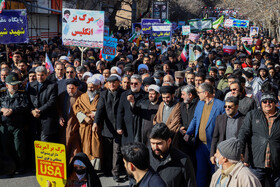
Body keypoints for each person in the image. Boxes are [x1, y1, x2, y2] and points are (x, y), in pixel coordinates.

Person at [185, 82, 225, 187]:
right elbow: (195, 119)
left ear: (206, 93)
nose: (197, 94)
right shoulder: (200, 103)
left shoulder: (220, 105)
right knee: (201, 173)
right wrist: (188, 132)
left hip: (214, 146)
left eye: (199, 92)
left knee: (215, 173)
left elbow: (223, 126)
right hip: (200, 146)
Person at [238, 92, 280, 186]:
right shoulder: (252, 115)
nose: (267, 104)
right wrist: (240, 151)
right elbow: (243, 134)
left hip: (276, 164)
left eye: (271, 101)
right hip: (257, 163)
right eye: (264, 101)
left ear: (275, 103)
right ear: (261, 103)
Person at [94, 74, 124, 181]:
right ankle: (107, 169)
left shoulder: (123, 94)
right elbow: (100, 110)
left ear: (118, 83)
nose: (112, 84)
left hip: (119, 127)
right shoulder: (103, 94)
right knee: (107, 151)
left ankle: (115, 172)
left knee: (116, 151)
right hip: (107, 127)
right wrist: (96, 122)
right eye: (110, 82)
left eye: (114, 82)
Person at [0, 73, 29, 173]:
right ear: (7, 85)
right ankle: (9, 168)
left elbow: (25, 106)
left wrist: (12, 110)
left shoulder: (22, 94)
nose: (15, 86)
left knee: (19, 147)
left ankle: (21, 167)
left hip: (17, 125)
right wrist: (2, 109)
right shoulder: (2, 94)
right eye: (13, 84)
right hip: (5, 126)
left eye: (16, 84)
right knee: (6, 148)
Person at [73, 76, 103, 170]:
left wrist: (96, 114)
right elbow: (76, 109)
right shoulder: (82, 97)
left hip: (96, 126)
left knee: (96, 147)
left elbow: (104, 109)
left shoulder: (101, 96)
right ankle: (86, 165)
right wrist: (84, 117)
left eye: (92, 87)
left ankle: (95, 168)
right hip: (84, 126)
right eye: (89, 87)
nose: (90, 89)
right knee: (85, 146)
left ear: (98, 86)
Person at [27, 66, 59, 142]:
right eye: (38, 75)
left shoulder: (52, 85)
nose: (40, 77)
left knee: (44, 142)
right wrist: (32, 111)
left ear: (46, 75)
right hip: (34, 119)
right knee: (35, 142)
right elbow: (28, 100)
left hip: (46, 119)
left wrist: (39, 110)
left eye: (42, 75)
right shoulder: (31, 85)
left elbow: (52, 101)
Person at [210, 97, 245, 164]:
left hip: (236, 156)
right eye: (225, 106)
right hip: (222, 155)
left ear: (236, 106)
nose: (227, 108)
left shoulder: (244, 119)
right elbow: (215, 137)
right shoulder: (220, 118)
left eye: (230, 106)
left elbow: (246, 140)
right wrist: (212, 154)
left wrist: (246, 158)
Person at [57, 78, 82, 163]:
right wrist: (60, 117)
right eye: (69, 88)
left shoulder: (81, 96)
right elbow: (58, 108)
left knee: (75, 146)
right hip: (64, 125)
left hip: (76, 125)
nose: (70, 90)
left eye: (72, 88)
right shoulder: (62, 95)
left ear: (76, 88)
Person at [117, 74, 146, 144]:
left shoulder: (145, 96)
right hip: (127, 126)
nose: (133, 85)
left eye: (136, 83)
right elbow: (120, 111)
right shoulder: (124, 94)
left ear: (140, 84)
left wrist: (133, 103)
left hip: (140, 125)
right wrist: (119, 127)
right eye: (131, 83)